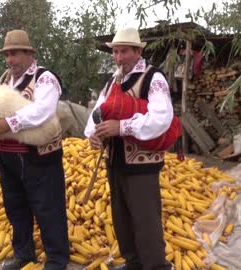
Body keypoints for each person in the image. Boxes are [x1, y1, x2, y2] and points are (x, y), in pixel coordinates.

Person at [0, 30, 69, 270]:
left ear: (29, 53)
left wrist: (9, 123)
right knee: (16, 207)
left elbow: (43, 110)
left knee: (48, 207)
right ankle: (24, 253)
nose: (10, 60)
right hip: (8, 155)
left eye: (14, 54)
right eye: (7, 55)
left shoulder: (45, 78)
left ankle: (57, 258)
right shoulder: (2, 80)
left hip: (40, 156)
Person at [85, 28, 174, 270]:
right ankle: (133, 263)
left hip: (142, 165)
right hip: (115, 161)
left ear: (138, 51)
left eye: (124, 51)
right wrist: (94, 133)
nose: (119, 57)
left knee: (146, 221)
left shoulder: (152, 78)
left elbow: (161, 118)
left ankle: (155, 266)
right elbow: (98, 111)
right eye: (115, 52)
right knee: (121, 219)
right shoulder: (114, 80)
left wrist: (121, 127)